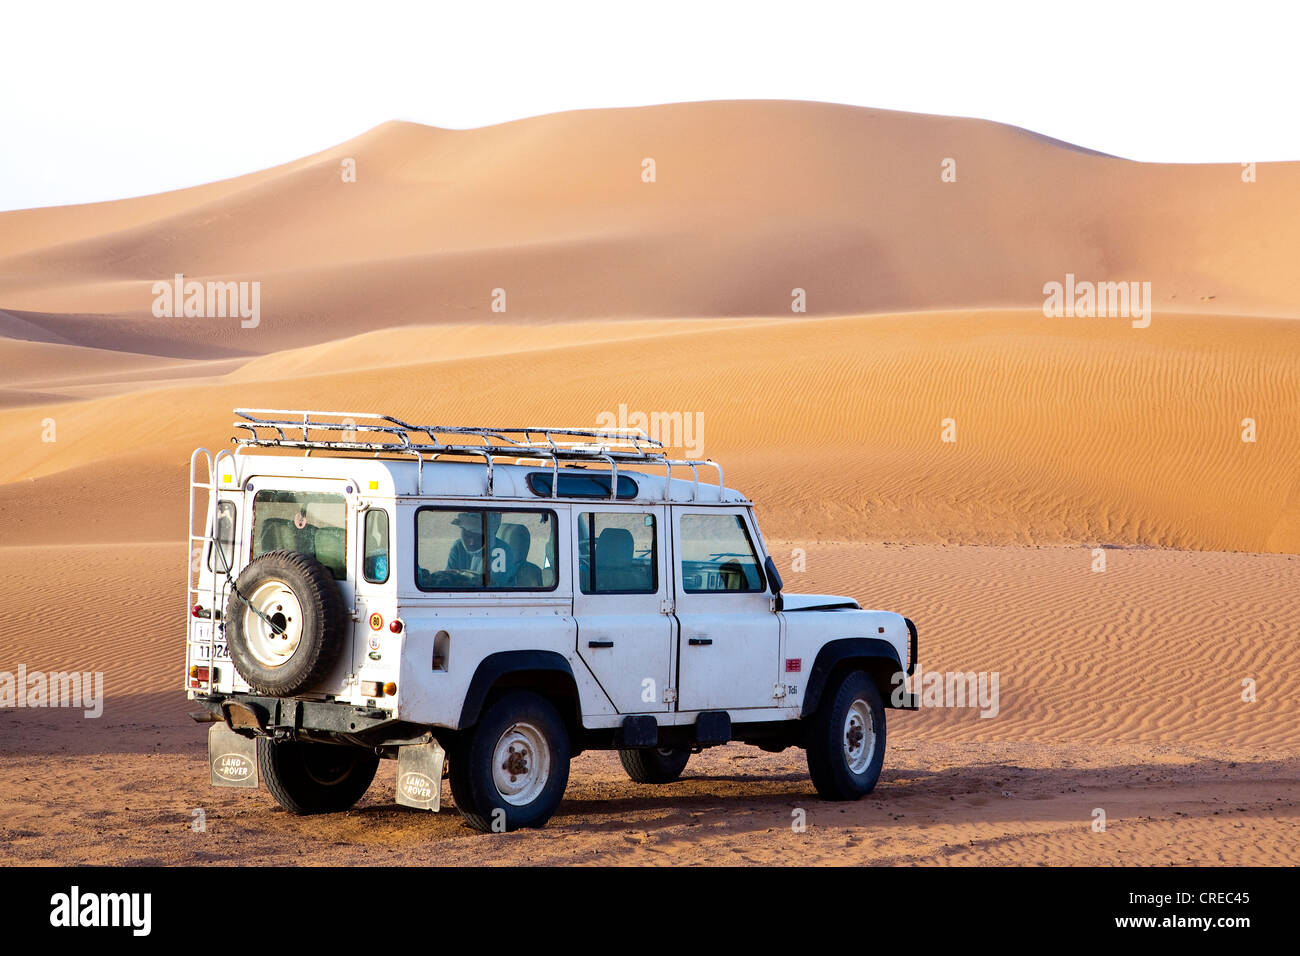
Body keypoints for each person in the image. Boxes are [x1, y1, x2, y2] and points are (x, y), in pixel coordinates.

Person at [445, 512, 516, 584]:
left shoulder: (500, 551)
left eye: (478, 537)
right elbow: (447, 580)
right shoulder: (458, 547)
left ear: (488, 536)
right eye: (467, 535)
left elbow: (494, 589)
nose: (471, 542)